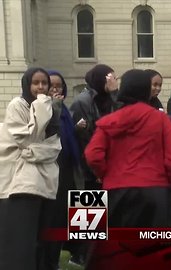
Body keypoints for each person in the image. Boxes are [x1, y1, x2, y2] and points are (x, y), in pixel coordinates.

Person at [85, 69, 171, 227]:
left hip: (117, 189)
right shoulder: (160, 119)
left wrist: (105, 174)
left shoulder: (109, 120)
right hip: (154, 187)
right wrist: (168, 180)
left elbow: (93, 154)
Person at [0, 67, 62, 270]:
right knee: (20, 243)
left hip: (44, 181)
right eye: (36, 83)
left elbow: (55, 147)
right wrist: (43, 102)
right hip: (20, 184)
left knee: (39, 239)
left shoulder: (52, 108)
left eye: (45, 83)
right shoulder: (17, 105)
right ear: (27, 84)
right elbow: (29, 138)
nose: (41, 87)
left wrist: (36, 151)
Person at [68, 64, 118, 265]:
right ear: (101, 79)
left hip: (104, 163)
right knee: (88, 209)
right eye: (111, 78)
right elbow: (85, 137)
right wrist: (94, 167)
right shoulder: (84, 101)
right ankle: (79, 255)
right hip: (88, 164)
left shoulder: (106, 99)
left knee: (104, 211)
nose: (114, 82)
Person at [42, 70, 82, 270]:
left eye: (59, 86)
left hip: (70, 168)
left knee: (74, 216)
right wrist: (55, 105)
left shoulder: (64, 108)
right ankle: (51, 260)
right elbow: (49, 132)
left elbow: (66, 135)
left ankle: (79, 254)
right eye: (52, 85)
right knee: (54, 218)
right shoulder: (43, 107)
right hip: (53, 170)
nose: (56, 89)